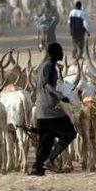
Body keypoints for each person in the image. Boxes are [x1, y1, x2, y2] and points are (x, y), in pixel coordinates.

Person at [30, 43, 77, 176]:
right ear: (55, 54)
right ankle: (50, 160)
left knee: (45, 141)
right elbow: (46, 84)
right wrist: (60, 95)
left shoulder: (44, 66)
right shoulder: (49, 66)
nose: (62, 54)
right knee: (69, 132)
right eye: (60, 52)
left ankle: (37, 168)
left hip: (41, 111)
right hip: (50, 110)